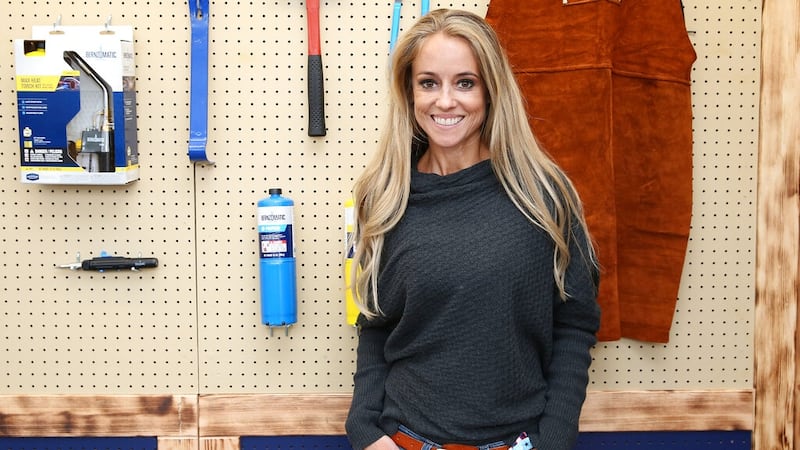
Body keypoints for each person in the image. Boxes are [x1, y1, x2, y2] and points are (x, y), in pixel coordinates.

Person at [345, 9, 601, 450]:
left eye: (465, 82)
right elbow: (375, 324)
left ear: (490, 91)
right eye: (429, 83)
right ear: (408, 92)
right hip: (405, 440)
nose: (445, 101)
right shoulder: (382, 197)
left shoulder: (544, 196)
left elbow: (574, 328)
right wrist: (365, 430)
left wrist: (554, 441)